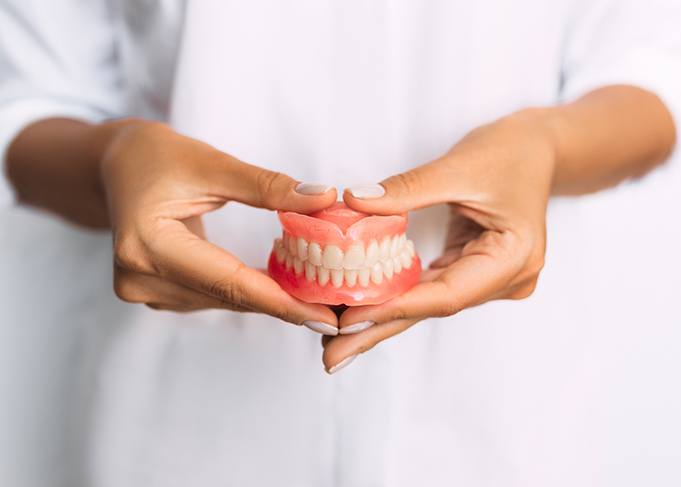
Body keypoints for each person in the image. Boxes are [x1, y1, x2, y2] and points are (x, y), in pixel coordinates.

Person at [1, 0, 681, 485]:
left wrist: (549, 146)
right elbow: (27, 106)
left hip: (511, 420)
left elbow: (649, 80)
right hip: (180, 425)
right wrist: (113, 160)